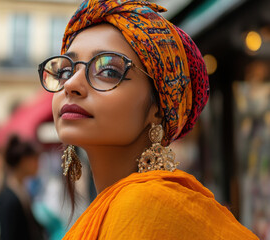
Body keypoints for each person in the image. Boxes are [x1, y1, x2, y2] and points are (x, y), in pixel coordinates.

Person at [37, 1, 259, 239]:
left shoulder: (144, 207)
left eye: (108, 71)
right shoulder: (121, 207)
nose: (70, 85)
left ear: (158, 107)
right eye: (65, 71)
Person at [0, 135, 47, 240]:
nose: (38, 165)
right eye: (36, 160)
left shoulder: (21, 190)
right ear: (24, 161)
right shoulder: (9, 198)